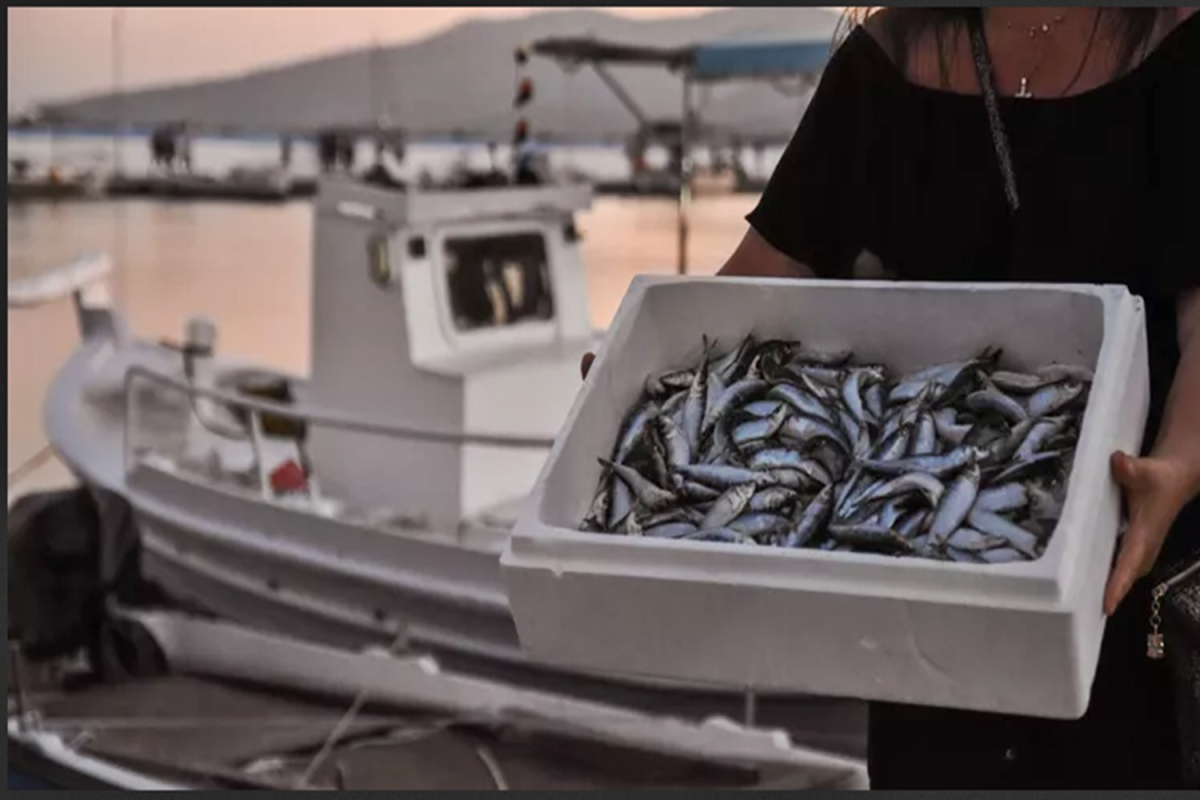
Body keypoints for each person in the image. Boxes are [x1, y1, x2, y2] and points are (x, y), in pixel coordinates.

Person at [581, 7, 1199, 788]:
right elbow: (766, 273)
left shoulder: (1179, 50)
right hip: (923, 601)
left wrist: (1178, 464)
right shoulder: (882, 62)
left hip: (1129, 575)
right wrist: (639, 362)